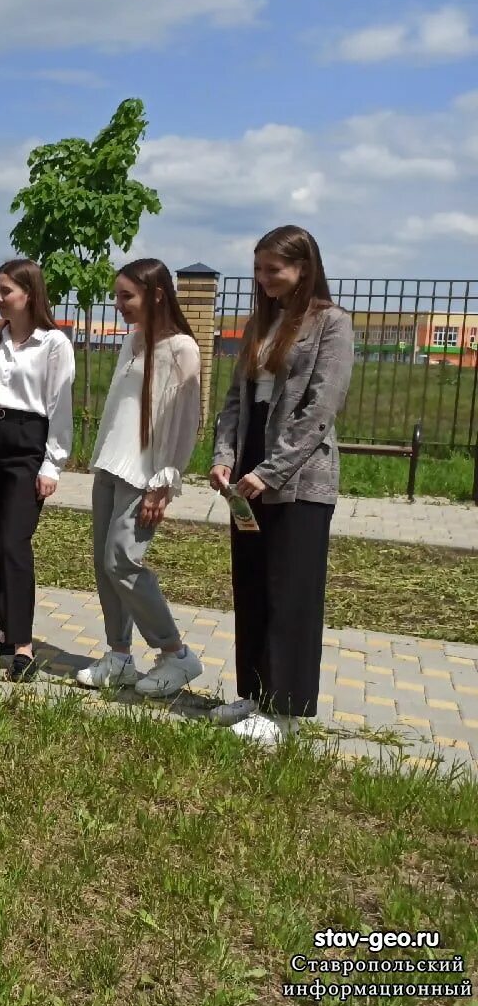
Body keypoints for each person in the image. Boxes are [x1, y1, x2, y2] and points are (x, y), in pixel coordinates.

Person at [210, 225, 353, 745]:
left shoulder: (332, 324)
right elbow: (235, 402)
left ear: (304, 268)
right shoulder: (258, 325)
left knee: (289, 589)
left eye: (275, 269)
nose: (264, 278)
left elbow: (320, 410)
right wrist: (226, 458)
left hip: (299, 478)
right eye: (259, 269)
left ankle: (285, 712)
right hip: (247, 467)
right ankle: (253, 693)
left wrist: (269, 472)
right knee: (250, 581)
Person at [75, 258, 205, 696]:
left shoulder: (182, 348)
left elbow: (186, 423)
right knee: (104, 565)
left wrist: (162, 483)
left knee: (122, 560)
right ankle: (120, 656)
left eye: (126, 296)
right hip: (111, 465)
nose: (118, 305)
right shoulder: (133, 341)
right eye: (117, 296)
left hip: (145, 474)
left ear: (156, 294)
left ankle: (176, 655)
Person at [0, 259, 76, 682]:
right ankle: (7, 632)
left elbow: (59, 408)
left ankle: (24, 647)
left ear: (28, 293)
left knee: (14, 542)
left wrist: (52, 463)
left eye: (5, 290)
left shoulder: (53, 344)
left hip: (28, 444)